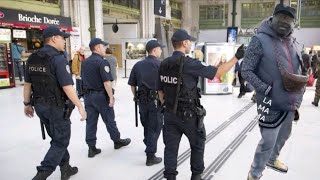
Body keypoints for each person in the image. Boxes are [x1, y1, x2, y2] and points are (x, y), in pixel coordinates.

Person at [157, 29, 245, 180]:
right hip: (189, 115)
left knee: (170, 148)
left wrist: (169, 105)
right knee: (198, 143)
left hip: (169, 114)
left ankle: (170, 176)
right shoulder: (190, 63)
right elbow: (217, 73)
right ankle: (196, 175)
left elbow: (160, 90)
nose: (190, 43)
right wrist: (236, 57)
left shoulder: (164, 63)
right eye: (189, 41)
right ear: (184, 43)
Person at [241, 4, 307, 180]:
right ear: (273, 17)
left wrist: (298, 98)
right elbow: (246, 70)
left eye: (289, 19)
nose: (284, 22)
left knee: (285, 134)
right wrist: (264, 89)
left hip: (290, 100)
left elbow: (298, 70)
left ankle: (272, 159)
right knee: (268, 140)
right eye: (281, 17)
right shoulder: (259, 40)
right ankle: (254, 173)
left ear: (294, 22)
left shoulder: (293, 42)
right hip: (268, 101)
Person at [23, 26, 87, 180]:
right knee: (61, 140)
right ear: (53, 38)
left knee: (57, 138)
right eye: (62, 38)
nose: (64, 41)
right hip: (56, 107)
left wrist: (26, 104)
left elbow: (27, 84)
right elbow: (67, 87)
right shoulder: (58, 58)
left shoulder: (32, 58)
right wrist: (80, 106)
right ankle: (41, 174)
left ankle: (66, 168)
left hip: (40, 106)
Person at [81, 38, 131, 158]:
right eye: (103, 46)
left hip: (88, 96)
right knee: (109, 120)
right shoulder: (102, 62)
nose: (105, 49)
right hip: (100, 96)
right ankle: (117, 141)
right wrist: (111, 97)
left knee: (91, 122)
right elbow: (107, 82)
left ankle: (91, 147)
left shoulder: (85, 62)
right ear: (97, 48)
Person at [128, 40, 165, 166]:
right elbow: (162, 88)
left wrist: (137, 97)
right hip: (155, 101)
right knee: (155, 127)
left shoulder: (138, 65)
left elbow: (132, 85)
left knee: (147, 125)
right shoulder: (160, 65)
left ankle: (148, 142)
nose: (161, 51)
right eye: (160, 49)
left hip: (142, 101)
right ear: (154, 50)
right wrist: (163, 102)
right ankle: (150, 156)